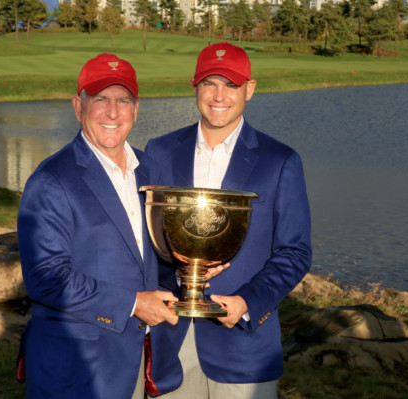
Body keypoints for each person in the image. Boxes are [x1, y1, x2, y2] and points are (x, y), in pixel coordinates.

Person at [144, 42, 312, 398]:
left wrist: (247, 302)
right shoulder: (159, 150)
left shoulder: (280, 161)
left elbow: (295, 252)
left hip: (244, 347)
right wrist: (172, 275)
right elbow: (145, 241)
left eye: (231, 85)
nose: (219, 95)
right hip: (172, 341)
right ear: (194, 86)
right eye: (209, 83)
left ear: (249, 89)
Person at [16, 52, 180, 399]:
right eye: (100, 99)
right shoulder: (51, 179)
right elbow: (45, 278)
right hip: (76, 370)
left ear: (136, 109)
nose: (112, 112)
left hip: (136, 361)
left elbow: (155, 258)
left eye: (123, 100)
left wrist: (191, 269)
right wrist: (135, 304)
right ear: (78, 106)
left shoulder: (150, 171)